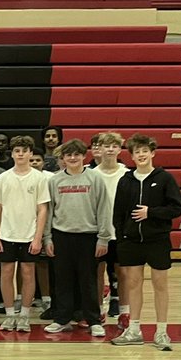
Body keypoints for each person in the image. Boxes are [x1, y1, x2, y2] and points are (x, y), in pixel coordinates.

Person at [110, 133, 181, 350]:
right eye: (137, 152)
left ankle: (162, 331)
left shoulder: (164, 179)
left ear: (152, 153)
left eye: (145, 151)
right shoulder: (126, 180)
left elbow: (177, 208)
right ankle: (134, 329)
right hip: (131, 242)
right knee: (133, 284)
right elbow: (118, 213)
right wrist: (123, 236)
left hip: (157, 241)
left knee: (160, 285)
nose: (141, 155)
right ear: (132, 156)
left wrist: (151, 213)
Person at [41, 138, 111, 337]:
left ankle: (93, 320)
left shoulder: (95, 179)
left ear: (83, 156)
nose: (73, 158)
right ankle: (62, 319)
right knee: (62, 280)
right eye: (68, 155)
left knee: (88, 280)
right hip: (61, 236)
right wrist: (48, 238)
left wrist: (103, 238)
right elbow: (49, 210)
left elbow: (103, 208)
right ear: (62, 158)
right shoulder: (54, 180)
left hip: (88, 237)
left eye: (77, 154)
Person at [0, 135, 51, 333]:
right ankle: (10, 315)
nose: (21, 154)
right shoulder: (3, 177)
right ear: (12, 153)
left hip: (29, 235)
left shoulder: (40, 178)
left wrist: (37, 237)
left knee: (27, 273)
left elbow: (43, 209)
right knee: (6, 273)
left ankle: (24, 315)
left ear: (30, 153)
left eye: (25, 151)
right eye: (17, 151)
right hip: (6, 234)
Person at [91, 132, 128, 324]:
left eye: (114, 146)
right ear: (100, 149)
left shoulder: (126, 173)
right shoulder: (92, 174)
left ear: (120, 149)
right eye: (106, 146)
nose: (110, 149)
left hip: (120, 233)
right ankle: (98, 311)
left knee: (122, 273)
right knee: (97, 272)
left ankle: (125, 313)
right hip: (97, 232)